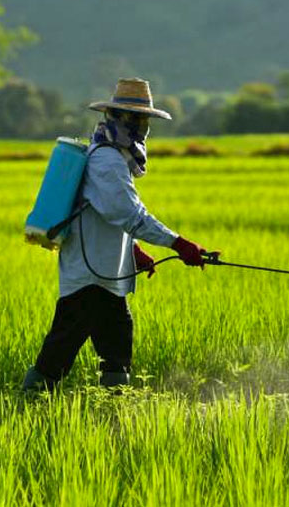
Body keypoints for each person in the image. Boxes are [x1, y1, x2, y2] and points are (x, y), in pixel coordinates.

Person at [22, 78, 209, 391]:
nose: (143, 127)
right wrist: (179, 244)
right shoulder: (107, 160)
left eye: (145, 120)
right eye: (139, 120)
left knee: (117, 353)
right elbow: (128, 214)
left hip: (107, 276)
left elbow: (108, 212)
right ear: (124, 119)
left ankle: (113, 412)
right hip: (89, 276)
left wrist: (133, 251)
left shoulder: (115, 156)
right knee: (57, 357)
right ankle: (27, 406)